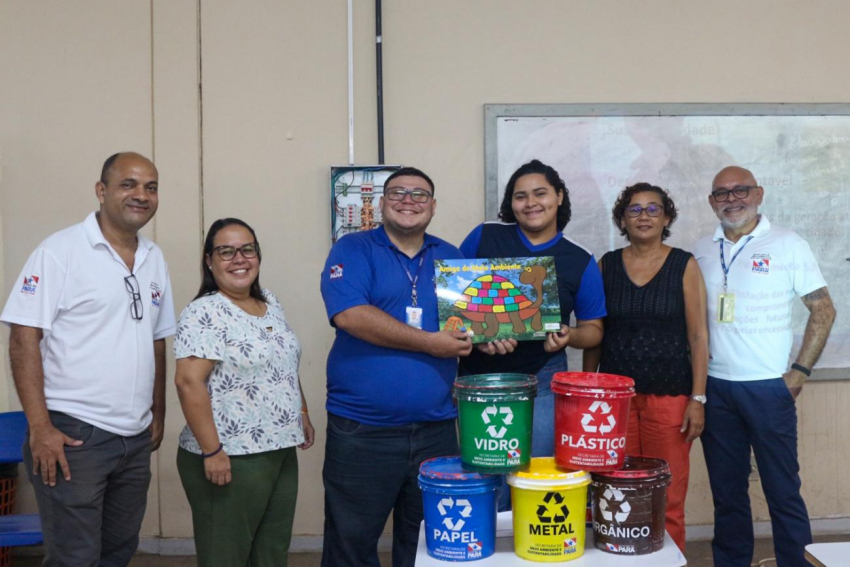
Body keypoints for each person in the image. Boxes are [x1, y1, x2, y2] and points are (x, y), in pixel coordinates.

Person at [1, 152, 176, 566]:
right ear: (101, 191)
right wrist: (40, 427)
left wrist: (158, 412)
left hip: (133, 439)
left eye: (150, 187)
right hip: (73, 436)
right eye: (128, 184)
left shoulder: (154, 258)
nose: (141, 195)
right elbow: (23, 337)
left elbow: (156, 340)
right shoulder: (60, 251)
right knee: (75, 558)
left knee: (117, 552)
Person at [319, 167, 473, 567]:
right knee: (350, 543)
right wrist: (430, 343)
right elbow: (351, 315)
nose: (409, 200)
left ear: (433, 206)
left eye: (420, 194)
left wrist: (491, 336)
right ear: (382, 204)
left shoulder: (452, 256)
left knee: (429, 544)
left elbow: (465, 327)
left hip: (437, 430)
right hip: (363, 430)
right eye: (398, 193)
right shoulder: (352, 249)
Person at [694, 166, 836, 567]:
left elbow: (823, 308)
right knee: (727, 493)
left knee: (782, 491)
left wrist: (800, 372)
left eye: (740, 191)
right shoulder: (701, 249)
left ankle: (796, 562)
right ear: (711, 202)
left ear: (758, 194)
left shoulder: (788, 244)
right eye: (721, 194)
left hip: (769, 389)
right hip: (716, 389)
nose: (731, 199)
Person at [174, 218, 314, 566]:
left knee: (271, 553)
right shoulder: (204, 311)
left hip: (279, 450)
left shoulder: (270, 302)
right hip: (230, 456)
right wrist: (212, 451)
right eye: (226, 251)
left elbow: (282, 362)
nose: (239, 258)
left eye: (247, 249)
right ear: (209, 260)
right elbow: (188, 382)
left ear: (258, 255)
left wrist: (302, 413)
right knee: (226, 556)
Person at [583, 182, 708, 552]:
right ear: (622, 219)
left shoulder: (683, 264)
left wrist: (698, 398)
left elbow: (699, 336)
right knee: (614, 491)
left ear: (666, 217)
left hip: (670, 399)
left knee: (666, 495)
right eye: (634, 210)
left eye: (653, 209)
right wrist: (591, 390)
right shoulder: (605, 264)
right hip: (614, 403)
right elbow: (595, 334)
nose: (644, 216)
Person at [458, 159, 606, 460]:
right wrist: (477, 337)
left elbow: (594, 332)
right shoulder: (484, 236)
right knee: (484, 471)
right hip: (477, 376)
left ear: (559, 197)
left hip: (542, 376)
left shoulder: (579, 258)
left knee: (533, 470)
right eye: (520, 196)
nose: (531, 203)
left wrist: (569, 335)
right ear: (510, 203)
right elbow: (451, 303)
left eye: (540, 193)